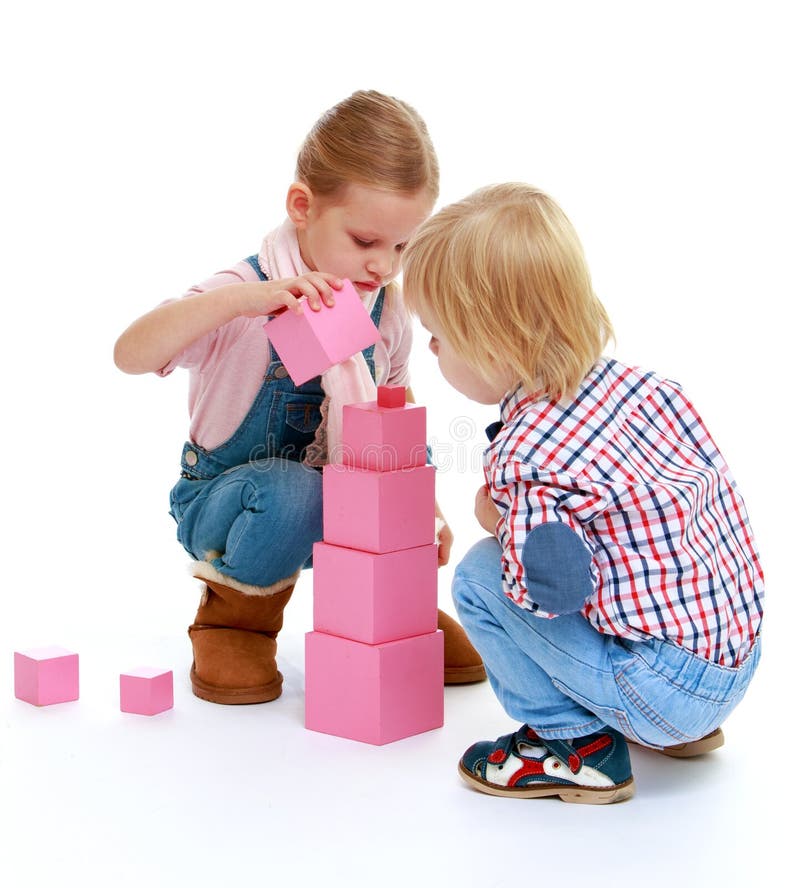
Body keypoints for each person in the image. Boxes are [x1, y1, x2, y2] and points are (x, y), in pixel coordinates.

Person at [114, 90, 485, 706]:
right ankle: (234, 617)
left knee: (393, 485)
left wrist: (428, 506)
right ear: (302, 207)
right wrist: (249, 303)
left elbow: (395, 414)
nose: (382, 266)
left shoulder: (386, 309)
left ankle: (394, 620)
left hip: (344, 495)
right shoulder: (243, 292)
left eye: (401, 247)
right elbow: (130, 354)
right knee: (291, 490)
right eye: (365, 241)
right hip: (228, 503)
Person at [401, 182, 763, 803]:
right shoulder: (646, 389)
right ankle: (676, 727)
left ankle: (573, 745)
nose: (430, 348)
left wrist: (499, 521)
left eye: (438, 335)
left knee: (477, 579)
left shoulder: (529, 455)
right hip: (734, 661)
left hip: (661, 690)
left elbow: (551, 591)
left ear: (491, 344)